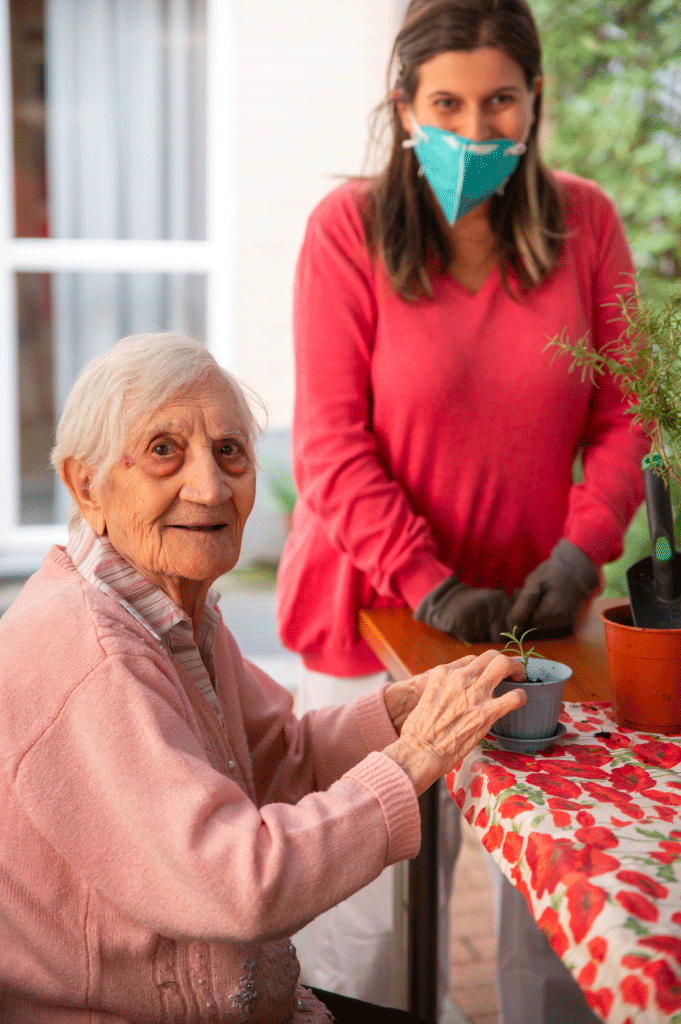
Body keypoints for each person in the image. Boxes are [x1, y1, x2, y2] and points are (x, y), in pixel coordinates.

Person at [276, 0, 648, 1019]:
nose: (474, 132)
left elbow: (624, 418)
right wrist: (428, 585)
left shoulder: (586, 224)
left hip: (534, 624)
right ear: (403, 105)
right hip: (380, 619)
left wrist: (581, 557)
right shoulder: (344, 231)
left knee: (552, 908)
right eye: (446, 102)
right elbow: (330, 444)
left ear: (535, 105)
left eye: (499, 103)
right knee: (375, 925)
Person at [0, 331, 527, 1024]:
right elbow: (239, 883)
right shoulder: (92, 650)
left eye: (229, 452)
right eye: (165, 451)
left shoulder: (169, 612)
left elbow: (281, 756)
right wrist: (413, 758)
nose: (210, 486)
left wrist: (399, 712)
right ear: (84, 482)